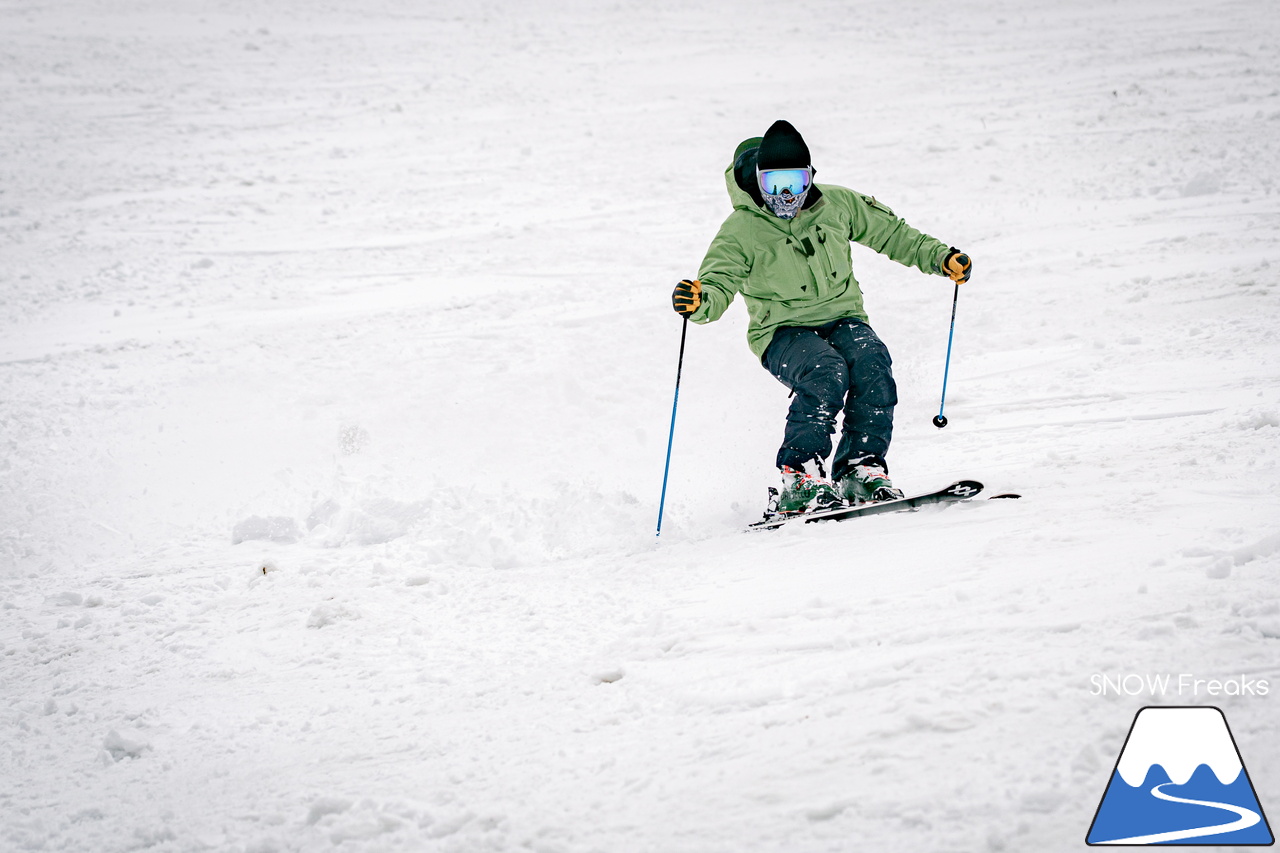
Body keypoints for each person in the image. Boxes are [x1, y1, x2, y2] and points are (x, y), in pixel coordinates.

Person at [672, 119, 971, 518]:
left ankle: (859, 468)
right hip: (780, 332)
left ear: (810, 177)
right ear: (758, 182)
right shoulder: (741, 230)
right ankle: (800, 475)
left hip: (842, 316)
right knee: (826, 370)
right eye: (774, 183)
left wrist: (940, 257)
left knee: (871, 362)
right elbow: (717, 282)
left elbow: (893, 234)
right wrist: (699, 300)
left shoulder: (837, 204)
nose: (785, 194)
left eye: (795, 182)